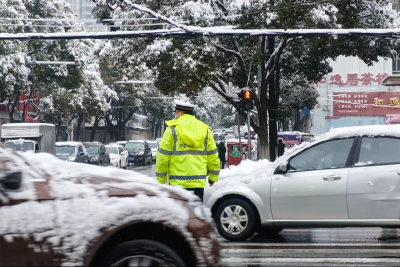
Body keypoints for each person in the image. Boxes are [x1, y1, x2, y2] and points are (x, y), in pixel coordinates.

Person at [156, 99, 220, 202]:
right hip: (198, 184)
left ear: (181, 113)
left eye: (176, 112)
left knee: (180, 215)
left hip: (177, 185)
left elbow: (162, 157)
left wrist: (161, 180)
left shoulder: (172, 130)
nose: (175, 115)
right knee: (195, 215)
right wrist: (213, 177)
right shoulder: (205, 130)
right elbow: (213, 156)